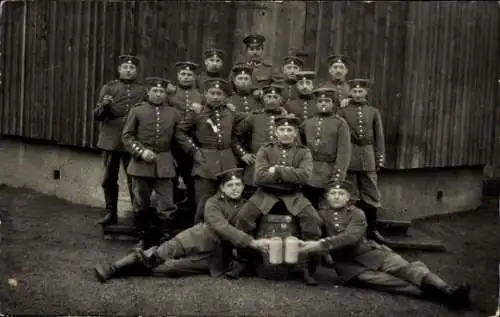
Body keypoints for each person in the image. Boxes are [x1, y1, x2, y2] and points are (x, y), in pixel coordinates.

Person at [298, 179, 471, 309]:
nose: (336, 196)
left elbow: (350, 238)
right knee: (390, 282)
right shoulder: (320, 215)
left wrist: (320, 245)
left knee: (406, 268)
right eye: (332, 193)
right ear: (327, 197)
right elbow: (312, 231)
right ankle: (437, 296)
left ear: (348, 198)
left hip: (371, 253)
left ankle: (447, 289)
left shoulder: (358, 214)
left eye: (341, 194)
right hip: (348, 265)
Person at [94, 168, 270, 283]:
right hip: (193, 239)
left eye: (238, 185)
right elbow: (222, 227)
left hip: (213, 255)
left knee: (170, 268)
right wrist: (251, 242)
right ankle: (113, 268)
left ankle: (128, 272)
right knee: (157, 255)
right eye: (230, 185)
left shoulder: (246, 206)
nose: (234, 189)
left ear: (243, 186)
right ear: (222, 189)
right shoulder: (212, 203)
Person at [232, 115, 323, 285]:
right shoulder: (265, 150)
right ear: (275, 132)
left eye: (290, 130)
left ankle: (305, 267)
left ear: (296, 133)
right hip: (265, 194)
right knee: (243, 217)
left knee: (313, 221)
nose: (286, 133)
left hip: (293, 195)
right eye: (282, 129)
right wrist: (289, 174)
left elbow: (304, 177)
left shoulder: (304, 152)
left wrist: (277, 170)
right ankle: (244, 262)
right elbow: (259, 177)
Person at [122, 77, 182, 249]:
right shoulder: (138, 111)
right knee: (141, 201)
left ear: (165, 94)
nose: (158, 94)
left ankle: (165, 240)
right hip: (141, 164)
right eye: (154, 91)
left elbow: (179, 139)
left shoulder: (173, 113)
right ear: (147, 92)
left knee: (167, 203)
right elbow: (127, 136)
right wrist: (141, 152)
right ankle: (142, 238)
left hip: (164, 163)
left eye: (161, 91)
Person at [175, 78, 245, 224]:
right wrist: (194, 150)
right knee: (203, 202)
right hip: (205, 162)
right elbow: (180, 132)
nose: (215, 96)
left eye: (219, 93)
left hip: (227, 161)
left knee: (229, 201)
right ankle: (200, 236)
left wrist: (280, 110)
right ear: (205, 95)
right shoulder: (197, 112)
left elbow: (252, 117)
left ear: (225, 97)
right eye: (211, 93)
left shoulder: (231, 113)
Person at [93, 55, 145, 227]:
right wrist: (105, 106)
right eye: (125, 67)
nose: (128, 70)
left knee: (135, 179)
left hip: (133, 141)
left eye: (132, 68)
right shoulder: (109, 88)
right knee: (109, 178)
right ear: (119, 70)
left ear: (136, 72)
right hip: (111, 140)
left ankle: (138, 216)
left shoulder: (142, 90)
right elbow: (97, 116)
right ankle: (110, 213)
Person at [337, 79, 385, 242]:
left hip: (368, 155)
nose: (357, 94)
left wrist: (379, 158)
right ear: (350, 93)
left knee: (371, 193)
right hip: (350, 155)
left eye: (361, 92)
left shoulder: (373, 111)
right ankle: (347, 230)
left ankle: (371, 230)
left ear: (366, 93)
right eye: (354, 92)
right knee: (348, 194)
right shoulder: (343, 111)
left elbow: (379, 137)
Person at [232, 84, 288, 198]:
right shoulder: (254, 116)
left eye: (275, 97)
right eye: (268, 97)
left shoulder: (287, 119)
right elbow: (234, 135)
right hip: (256, 168)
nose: (271, 100)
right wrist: (243, 154)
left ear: (281, 100)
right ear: (263, 98)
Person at [301, 87, 351, 209]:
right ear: (315, 104)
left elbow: (344, 151)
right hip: (310, 171)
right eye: (320, 101)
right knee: (309, 205)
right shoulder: (307, 122)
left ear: (333, 104)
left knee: (327, 207)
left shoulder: (340, 123)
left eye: (327, 101)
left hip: (329, 170)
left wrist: (338, 175)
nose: (323, 103)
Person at [168, 61, 204, 212]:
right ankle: (173, 202)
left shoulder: (200, 95)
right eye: (183, 74)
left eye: (189, 75)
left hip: (192, 139)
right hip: (172, 139)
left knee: (190, 172)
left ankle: (191, 202)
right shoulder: (170, 94)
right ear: (177, 76)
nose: (186, 77)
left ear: (195, 77)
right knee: (172, 173)